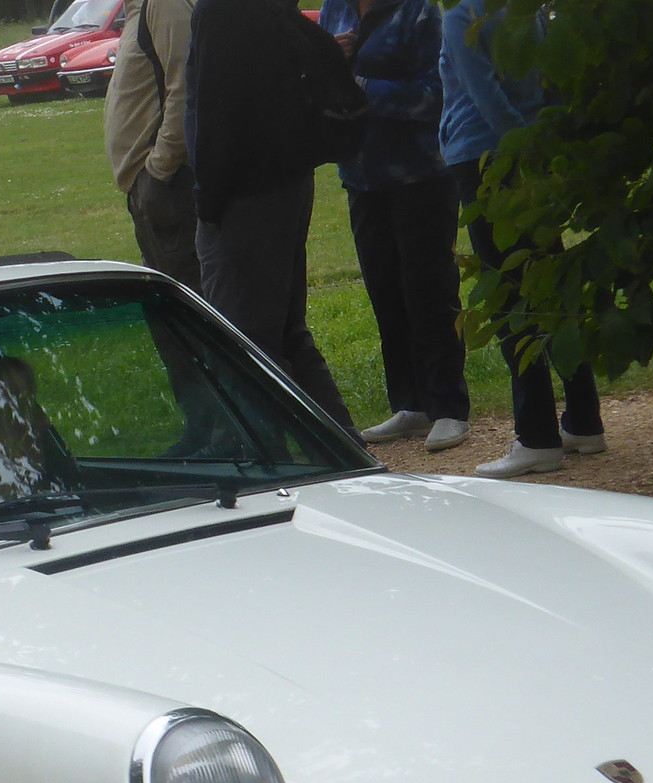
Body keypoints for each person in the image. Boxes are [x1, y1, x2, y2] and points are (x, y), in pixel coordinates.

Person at [439, 0, 605, 478]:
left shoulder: (461, 16)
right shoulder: (527, 12)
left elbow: (481, 92)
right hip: (532, 156)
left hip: (483, 157)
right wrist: (540, 149)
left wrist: (516, 147)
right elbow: (552, 86)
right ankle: (583, 420)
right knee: (550, 285)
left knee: (510, 295)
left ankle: (536, 436)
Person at [185, 0, 357, 432]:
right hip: (286, 181)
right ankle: (342, 448)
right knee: (284, 330)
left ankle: (272, 462)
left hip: (246, 193)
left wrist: (208, 203)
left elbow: (217, 110)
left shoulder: (221, 10)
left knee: (243, 343)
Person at [322, 0, 471, 452]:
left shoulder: (420, 12)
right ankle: (411, 403)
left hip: (421, 174)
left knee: (428, 291)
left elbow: (435, 93)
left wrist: (361, 84)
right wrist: (328, 58)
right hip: (361, 176)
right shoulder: (336, 8)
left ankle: (448, 406)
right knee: (384, 289)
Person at [105, 0, 200, 290]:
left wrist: (159, 168)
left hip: (169, 184)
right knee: (166, 298)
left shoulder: (164, 3)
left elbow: (185, 88)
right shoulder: (139, 7)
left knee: (185, 302)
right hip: (149, 184)